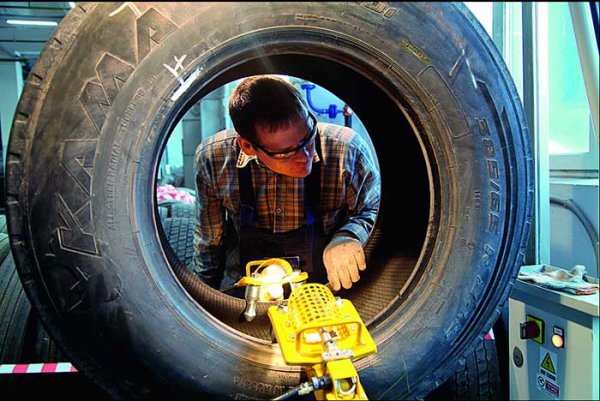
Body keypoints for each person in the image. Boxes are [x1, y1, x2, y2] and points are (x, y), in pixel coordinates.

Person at [192, 75, 380, 292]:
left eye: (308, 138)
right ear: (247, 146)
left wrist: (349, 235)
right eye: (287, 152)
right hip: (249, 290)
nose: (305, 156)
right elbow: (209, 244)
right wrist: (202, 300)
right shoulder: (214, 159)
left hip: (326, 288)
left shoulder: (347, 149)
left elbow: (371, 210)